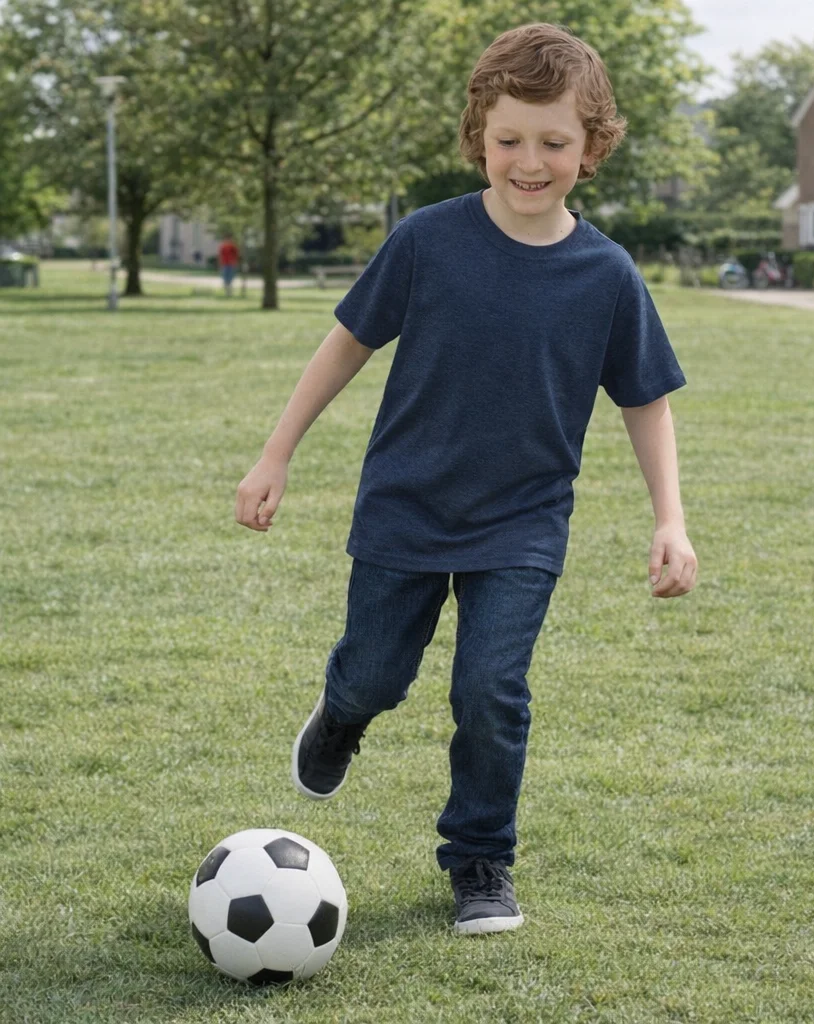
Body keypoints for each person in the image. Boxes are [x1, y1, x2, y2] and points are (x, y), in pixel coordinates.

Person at [235, 22, 698, 937]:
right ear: (479, 135)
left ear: (592, 147)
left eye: (554, 142)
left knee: (490, 690)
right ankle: (342, 709)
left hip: (521, 526)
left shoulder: (606, 274)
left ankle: (481, 860)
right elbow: (346, 346)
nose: (530, 161)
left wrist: (670, 521)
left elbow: (647, 402)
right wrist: (275, 452)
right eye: (509, 140)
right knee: (376, 675)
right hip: (407, 506)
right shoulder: (426, 242)